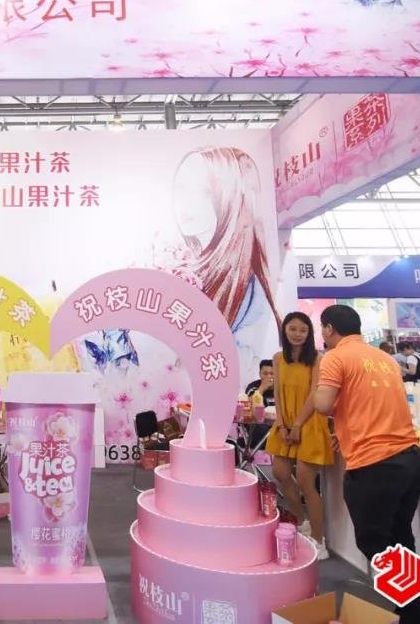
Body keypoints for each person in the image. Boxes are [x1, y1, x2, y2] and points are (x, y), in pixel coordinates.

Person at [314, 305, 420, 624]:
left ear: (328, 329)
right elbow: (371, 405)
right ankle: (410, 618)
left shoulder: (335, 358)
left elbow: (323, 404)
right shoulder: (384, 359)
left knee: (377, 546)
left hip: (375, 466)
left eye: (322, 329)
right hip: (411, 460)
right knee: (400, 542)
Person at [171, 147, 281, 374]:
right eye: (181, 188)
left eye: (205, 192)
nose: (187, 202)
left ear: (232, 198)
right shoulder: (185, 267)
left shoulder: (249, 289)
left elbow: (242, 366)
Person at [266, 313, 334, 560]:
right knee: (280, 473)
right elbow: (278, 394)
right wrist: (283, 424)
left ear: (309, 333)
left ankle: (319, 539)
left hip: (310, 422)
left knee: (307, 482)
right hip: (285, 423)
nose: (297, 334)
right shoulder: (278, 358)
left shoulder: (317, 358)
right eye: (292, 329)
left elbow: (315, 393)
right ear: (284, 331)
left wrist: (297, 424)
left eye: (302, 330)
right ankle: (302, 521)